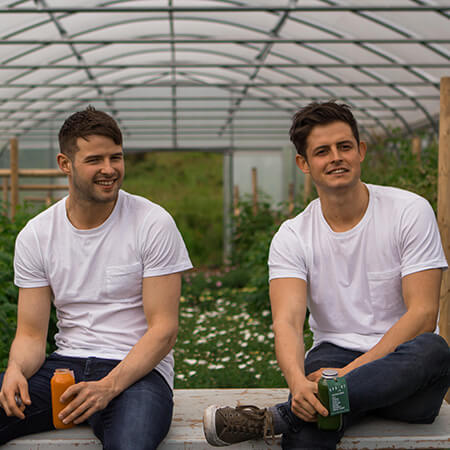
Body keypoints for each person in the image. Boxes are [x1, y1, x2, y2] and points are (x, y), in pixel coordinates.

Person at [203, 101, 450, 449]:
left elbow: (423, 315)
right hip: (332, 356)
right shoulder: (293, 235)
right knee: (314, 419)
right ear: (304, 163)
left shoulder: (408, 212)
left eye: (344, 146)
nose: (336, 157)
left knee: (432, 349)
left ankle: (278, 417)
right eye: (322, 151)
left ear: (360, 151)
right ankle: (323, 404)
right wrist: (298, 384)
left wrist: (341, 380)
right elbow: (287, 321)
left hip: (406, 369)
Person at [0, 106, 193, 449]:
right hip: (64, 370)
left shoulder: (152, 223)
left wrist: (109, 386)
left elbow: (164, 329)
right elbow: (30, 335)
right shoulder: (37, 234)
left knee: (130, 443)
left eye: (116, 158)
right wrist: (16, 369)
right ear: (65, 164)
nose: (109, 169)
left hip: (137, 373)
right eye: (95, 160)